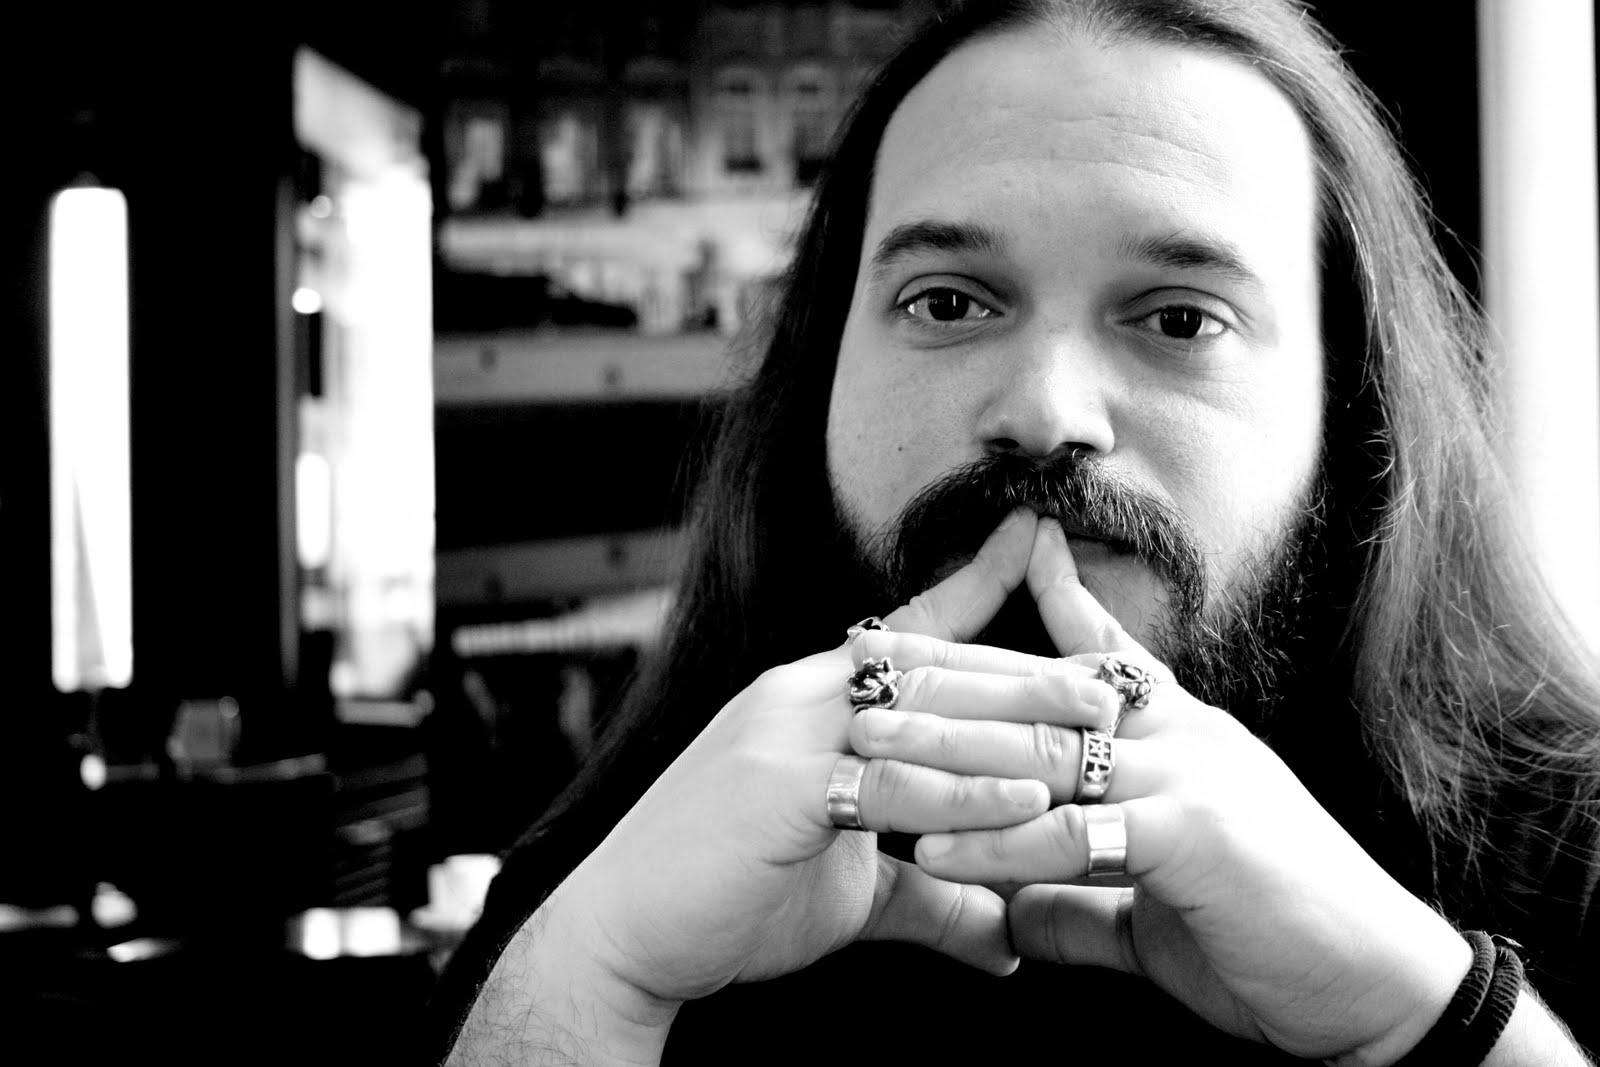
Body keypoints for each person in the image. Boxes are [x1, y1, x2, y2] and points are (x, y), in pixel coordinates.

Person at [426, 0, 1600, 1062]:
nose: (1044, 411)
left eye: (1179, 319)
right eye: (946, 301)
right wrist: (593, 982)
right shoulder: (602, 888)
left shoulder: (1580, 850)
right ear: (820, 373)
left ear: (1349, 406)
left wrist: (1435, 1017)